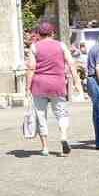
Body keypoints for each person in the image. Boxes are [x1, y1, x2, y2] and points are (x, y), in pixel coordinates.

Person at [26, 21, 82, 156]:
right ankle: (63, 136)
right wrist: (77, 82)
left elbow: (31, 67)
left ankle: (45, 147)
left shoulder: (34, 47)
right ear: (52, 33)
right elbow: (71, 63)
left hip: (39, 84)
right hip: (57, 83)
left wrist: (28, 87)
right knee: (61, 113)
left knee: (41, 116)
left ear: (39, 34)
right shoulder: (61, 45)